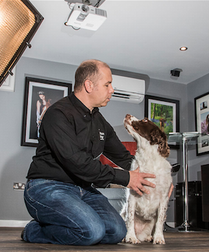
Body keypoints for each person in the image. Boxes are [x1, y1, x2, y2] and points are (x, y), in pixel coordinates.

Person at [22, 59, 156, 245]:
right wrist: (126, 178)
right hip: (46, 186)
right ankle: (34, 230)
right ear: (89, 85)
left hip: (83, 189)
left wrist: (156, 178)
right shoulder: (58, 114)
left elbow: (124, 157)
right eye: (107, 84)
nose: (112, 90)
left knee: (117, 232)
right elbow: (78, 162)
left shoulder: (99, 121)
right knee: (92, 232)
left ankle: (66, 224)